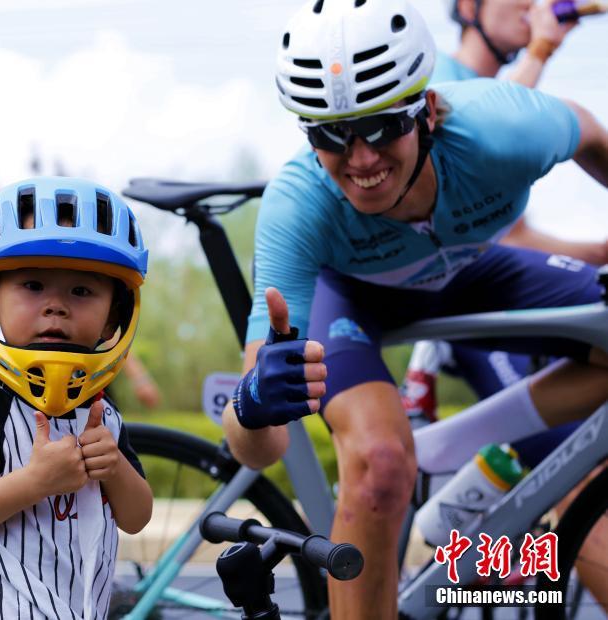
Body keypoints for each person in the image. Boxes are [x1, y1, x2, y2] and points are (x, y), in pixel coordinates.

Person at [222, 0, 608, 617]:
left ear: (426, 110)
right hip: (355, 292)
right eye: (331, 135)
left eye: (382, 127)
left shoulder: (503, 127)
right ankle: (402, 454)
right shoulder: (297, 206)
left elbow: (590, 133)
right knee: (379, 463)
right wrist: (254, 405)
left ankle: (449, 443)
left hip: (471, 267)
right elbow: (257, 448)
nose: (361, 159)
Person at [0, 177, 153, 619]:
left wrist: (116, 467)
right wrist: (34, 483)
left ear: (113, 318)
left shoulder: (102, 412)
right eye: (32, 285)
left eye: (81, 291)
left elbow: (137, 517)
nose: (55, 306)